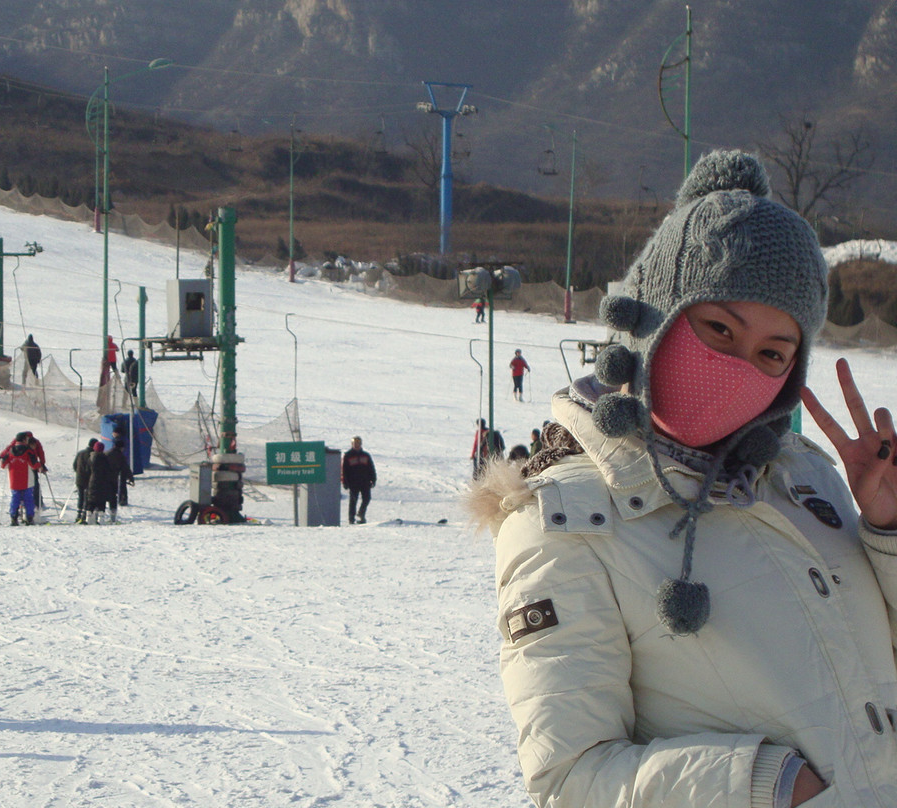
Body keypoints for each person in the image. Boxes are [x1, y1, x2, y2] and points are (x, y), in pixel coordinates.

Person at [468, 150, 897, 807]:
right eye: (719, 328)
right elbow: (571, 779)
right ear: (654, 317)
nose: (737, 368)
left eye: (772, 354)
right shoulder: (563, 519)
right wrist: (765, 786)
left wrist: (889, 531)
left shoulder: (804, 477)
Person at [0, 432, 40, 525]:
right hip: (27, 480)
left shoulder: (10, 450)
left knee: (15, 498)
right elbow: (34, 465)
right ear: (23, 440)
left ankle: (14, 518)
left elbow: (3, 464)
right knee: (28, 499)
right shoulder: (28, 451)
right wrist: (39, 466)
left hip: (14, 480)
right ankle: (29, 518)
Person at [341, 436, 376, 524]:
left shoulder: (366, 455)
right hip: (353, 482)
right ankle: (351, 519)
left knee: (367, 498)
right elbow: (344, 470)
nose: (356, 445)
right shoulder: (348, 455)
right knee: (353, 501)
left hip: (365, 481)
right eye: (354, 443)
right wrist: (345, 482)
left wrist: (373, 479)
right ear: (352, 444)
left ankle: (361, 513)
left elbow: (371, 468)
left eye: (358, 443)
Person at [86, 441, 116, 525]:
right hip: (103, 482)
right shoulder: (105, 459)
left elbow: (87, 470)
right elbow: (109, 471)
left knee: (91, 499)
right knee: (101, 500)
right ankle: (101, 517)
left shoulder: (91, 458)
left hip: (92, 481)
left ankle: (89, 516)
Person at [105, 438, 134, 516]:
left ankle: (100, 514)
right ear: (121, 447)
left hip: (104, 478)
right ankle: (113, 514)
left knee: (103, 495)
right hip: (113, 478)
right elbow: (125, 468)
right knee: (113, 496)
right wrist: (131, 478)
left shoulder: (107, 453)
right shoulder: (121, 456)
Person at [72, 438, 98, 524]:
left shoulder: (80, 453)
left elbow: (75, 465)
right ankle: (84, 515)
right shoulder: (92, 455)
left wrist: (78, 472)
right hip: (88, 479)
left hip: (79, 478)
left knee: (81, 497)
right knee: (87, 497)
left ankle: (79, 514)